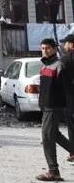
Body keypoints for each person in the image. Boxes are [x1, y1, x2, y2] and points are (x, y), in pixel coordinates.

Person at [35, 38, 71, 182]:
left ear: (55, 49)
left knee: (47, 138)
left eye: (48, 48)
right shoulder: (44, 66)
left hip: (54, 106)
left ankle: (53, 172)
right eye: (43, 48)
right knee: (54, 135)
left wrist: (68, 107)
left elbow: (67, 88)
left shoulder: (59, 65)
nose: (45, 50)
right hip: (46, 106)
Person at [60, 34, 74, 164]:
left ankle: (73, 152)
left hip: (69, 97)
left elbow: (60, 80)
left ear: (71, 45)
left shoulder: (66, 59)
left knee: (71, 125)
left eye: (66, 43)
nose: (64, 46)